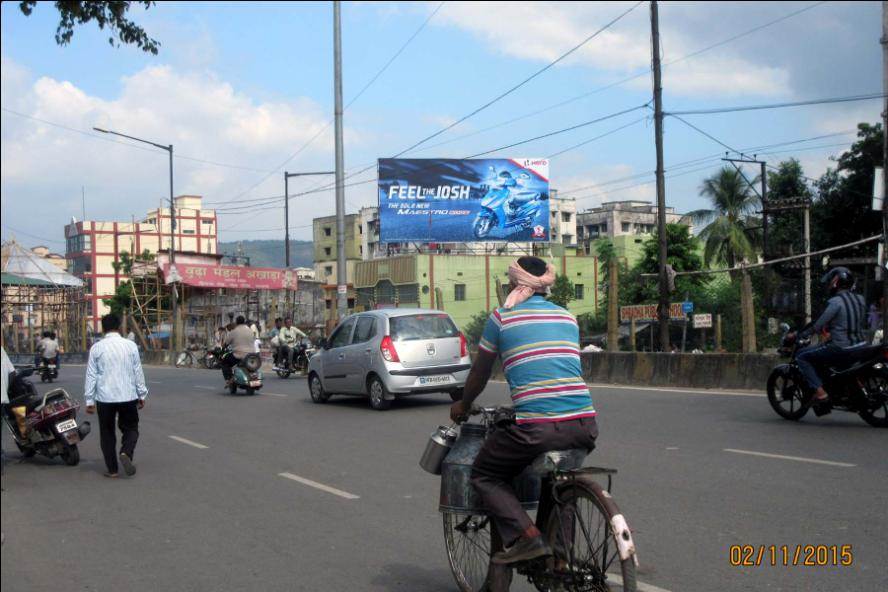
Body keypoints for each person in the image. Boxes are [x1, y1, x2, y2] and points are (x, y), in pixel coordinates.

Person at [450, 256, 598, 565]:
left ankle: (527, 537)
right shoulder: (568, 317)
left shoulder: (502, 318)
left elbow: (480, 373)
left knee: (485, 473)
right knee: (560, 479)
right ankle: (561, 562)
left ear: (515, 283)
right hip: (585, 424)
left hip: (538, 428)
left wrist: (463, 404)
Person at [83, 313, 149, 478]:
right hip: (128, 395)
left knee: (107, 433)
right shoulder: (130, 346)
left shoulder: (97, 348)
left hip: (105, 398)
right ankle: (126, 452)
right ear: (119, 327)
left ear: (103, 329)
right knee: (131, 428)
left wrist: (89, 400)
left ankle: (112, 469)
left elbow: (91, 375)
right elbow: (137, 372)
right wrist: (142, 394)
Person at [793, 267, 868, 406]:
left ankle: (821, 394)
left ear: (835, 282)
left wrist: (800, 334)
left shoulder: (835, 302)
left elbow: (817, 325)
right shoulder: (861, 300)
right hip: (862, 346)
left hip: (842, 348)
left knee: (801, 356)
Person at [221, 316, 255, 383]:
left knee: (224, 362)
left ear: (236, 322)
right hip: (251, 355)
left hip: (238, 356)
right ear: (244, 321)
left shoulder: (234, 332)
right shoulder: (250, 330)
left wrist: (223, 347)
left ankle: (229, 378)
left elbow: (225, 343)